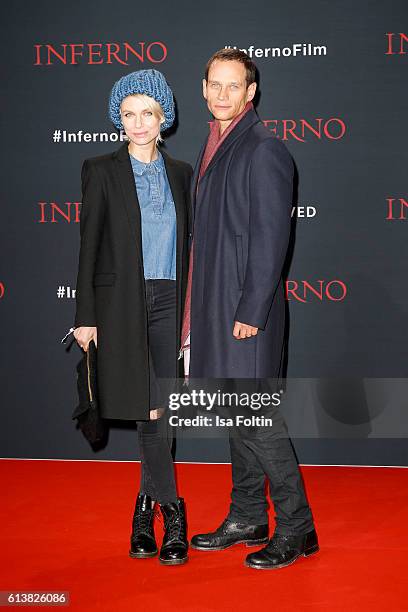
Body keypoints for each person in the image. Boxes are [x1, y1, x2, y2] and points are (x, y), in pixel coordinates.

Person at [181, 49, 319, 569]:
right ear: (203, 88)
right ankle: (246, 516)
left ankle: (297, 528)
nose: (221, 94)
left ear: (251, 92)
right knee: (237, 418)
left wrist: (252, 310)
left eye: (232, 86)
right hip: (217, 306)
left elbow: (270, 238)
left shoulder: (264, 148)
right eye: (213, 84)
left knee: (259, 422)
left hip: (245, 314)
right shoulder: (215, 142)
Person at [73, 69, 192, 565]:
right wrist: (85, 315)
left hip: (170, 299)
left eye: (148, 113)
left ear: (163, 117)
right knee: (148, 408)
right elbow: (89, 246)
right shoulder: (100, 169)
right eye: (128, 114)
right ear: (117, 120)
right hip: (122, 304)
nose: (138, 124)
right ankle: (172, 511)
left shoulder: (183, 174)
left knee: (160, 406)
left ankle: (146, 507)